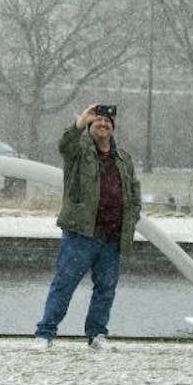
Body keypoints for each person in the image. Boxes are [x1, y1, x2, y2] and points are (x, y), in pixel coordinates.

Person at [32, 102, 142, 351]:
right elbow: (64, 145)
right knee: (64, 284)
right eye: (98, 121)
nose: (103, 124)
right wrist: (79, 123)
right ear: (90, 125)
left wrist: (132, 217)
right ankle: (45, 333)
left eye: (107, 122)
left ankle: (97, 335)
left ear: (113, 128)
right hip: (81, 234)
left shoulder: (123, 159)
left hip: (112, 236)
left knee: (105, 289)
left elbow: (134, 193)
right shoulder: (79, 151)